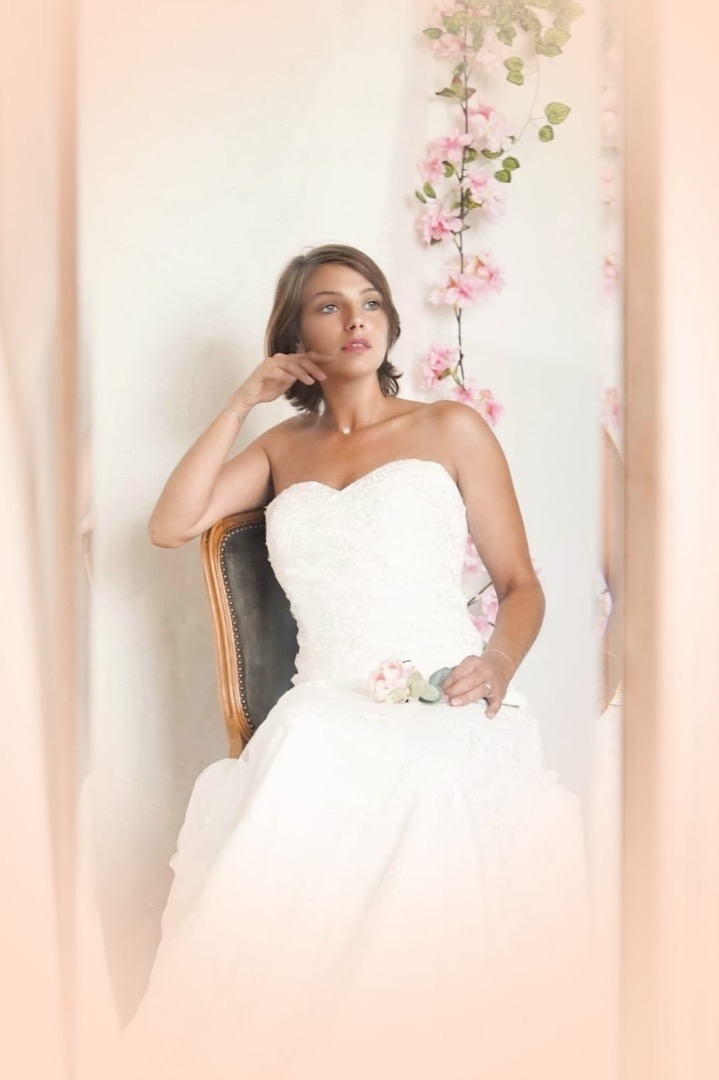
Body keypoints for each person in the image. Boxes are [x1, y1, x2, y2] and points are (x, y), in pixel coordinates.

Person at [122, 244, 595, 1079]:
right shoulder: (280, 450)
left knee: (424, 788)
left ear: (390, 321)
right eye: (328, 306)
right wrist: (239, 403)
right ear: (294, 335)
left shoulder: (449, 428)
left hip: (447, 694)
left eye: (370, 301)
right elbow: (170, 524)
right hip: (325, 702)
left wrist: (496, 662)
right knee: (301, 770)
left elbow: (522, 586)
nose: (355, 320)